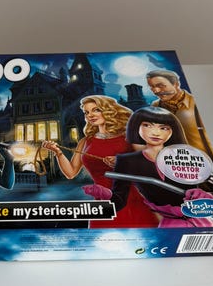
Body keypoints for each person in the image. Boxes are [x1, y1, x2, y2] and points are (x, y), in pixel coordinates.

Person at [85, 106, 213, 228]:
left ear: (172, 131)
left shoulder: (188, 156)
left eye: (164, 128)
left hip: (204, 222)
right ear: (136, 127)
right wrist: (105, 194)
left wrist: (208, 195)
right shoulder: (127, 161)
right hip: (171, 224)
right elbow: (119, 201)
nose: (156, 133)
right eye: (148, 126)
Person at [42, 95, 159, 228]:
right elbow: (70, 173)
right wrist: (58, 152)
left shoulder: (129, 137)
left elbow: (150, 165)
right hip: (102, 203)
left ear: (108, 110)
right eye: (86, 112)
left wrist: (123, 162)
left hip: (130, 200)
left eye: (96, 110)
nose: (90, 115)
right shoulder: (85, 141)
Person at [147, 69, 213, 159]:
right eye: (152, 87)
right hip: (174, 161)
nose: (156, 91)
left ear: (176, 84)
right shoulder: (155, 106)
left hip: (206, 160)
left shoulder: (198, 103)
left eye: (161, 86)